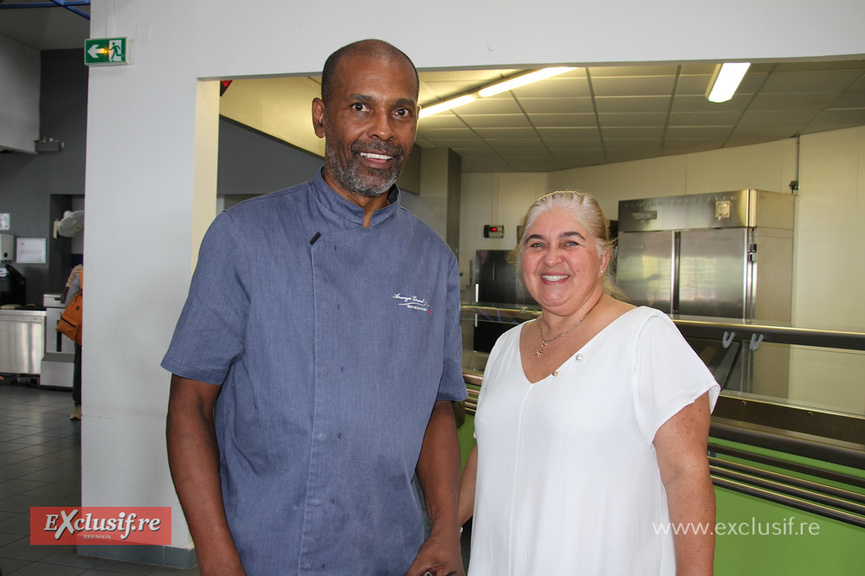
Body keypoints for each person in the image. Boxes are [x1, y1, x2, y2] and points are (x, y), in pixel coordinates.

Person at [163, 39, 466, 576]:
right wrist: (217, 558)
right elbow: (191, 404)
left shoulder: (433, 259)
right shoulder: (244, 236)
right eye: (361, 107)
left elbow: (439, 408)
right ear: (321, 117)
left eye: (401, 112)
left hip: (393, 549)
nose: (384, 130)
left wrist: (444, 532)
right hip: (266, 547)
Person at [459, 191, 719, 575]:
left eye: (570, 243)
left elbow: (687, 477)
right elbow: (488, 454)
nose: (551, 258)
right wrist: (442, 531)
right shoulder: (506, 346)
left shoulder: (644, 336)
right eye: (537, 244)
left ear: (603, 258)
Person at [61, 264, 83, 420]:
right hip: (96, 329)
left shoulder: (80, 272)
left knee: (80, 365)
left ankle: (79, 405)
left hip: (82, 329)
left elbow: (68, 300)